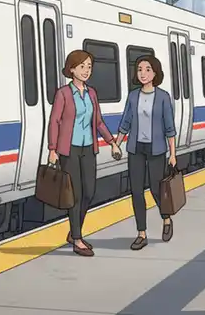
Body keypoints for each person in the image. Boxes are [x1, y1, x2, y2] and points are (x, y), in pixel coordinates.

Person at [48, 50, 122, 257]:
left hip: (88, 148)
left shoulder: (91, 93)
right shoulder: (63, 94)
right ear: (71, 69)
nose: (87, 71)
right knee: (76, 194)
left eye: (89, 67)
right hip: (69, 149)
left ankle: (74, 233)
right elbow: (54, 121)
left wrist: (112, 142)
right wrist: (52, 149)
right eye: (82, 67)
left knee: (89, 192)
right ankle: (77, 239)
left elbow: (97, 121)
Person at [114, 55, 176, 249]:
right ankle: (141, 233)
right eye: (140, 69)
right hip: (136, 148)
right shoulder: (133, 96)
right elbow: (126, 122)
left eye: (148, 69)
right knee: (137, 192)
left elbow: (170, 128)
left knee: (157, 189)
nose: (143, 73)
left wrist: (173, 154)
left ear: (155, 72)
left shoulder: (163, 96)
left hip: (157, 149)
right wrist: (117, 143)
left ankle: (166, 218)